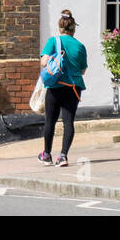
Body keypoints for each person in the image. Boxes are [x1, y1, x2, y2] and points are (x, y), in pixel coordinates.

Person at [38, 9, 87, 167]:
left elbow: (44, 62)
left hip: (55, 86)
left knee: (50, 121)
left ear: (60, 28)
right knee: (68, 122)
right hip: (73, 87)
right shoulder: (80, 46)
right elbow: (82, 70)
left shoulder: (53, 41)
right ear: (73, 29)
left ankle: (46, 155)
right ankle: (63, 156)